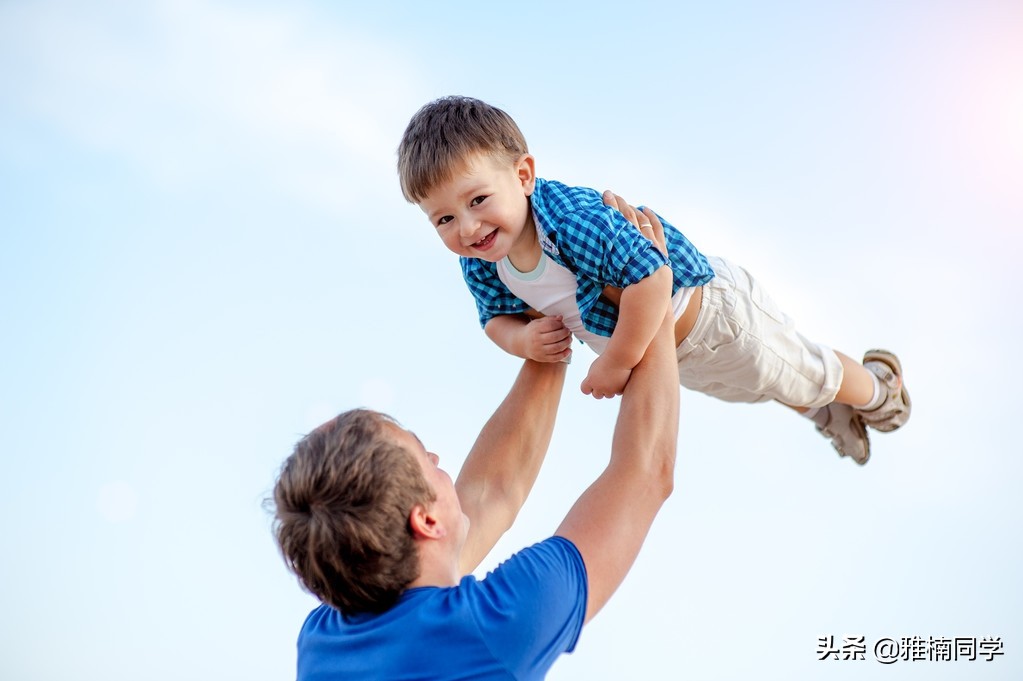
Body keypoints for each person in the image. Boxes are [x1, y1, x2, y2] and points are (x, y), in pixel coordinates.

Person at [272, 198, 680, 680]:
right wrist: (653, 289)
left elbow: (492, 492)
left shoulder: (325, 642)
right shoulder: (493, 628)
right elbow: (643, 473)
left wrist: (543, 322)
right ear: (424, 519)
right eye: (427, 461)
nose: (440, 459)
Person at [396, 95, 911, 465]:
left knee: (797, 368)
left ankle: (877, 391)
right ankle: (827, 413)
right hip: (674, 354)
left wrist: (617, 362)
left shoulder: (571, 221)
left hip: (714, 317)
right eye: (443, 219)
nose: (466, 228)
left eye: (477, 200)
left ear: (524, 176)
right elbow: (493, 319)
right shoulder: (480, 260)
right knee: (759, 386)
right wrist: (523, 338)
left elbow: (651, 277)